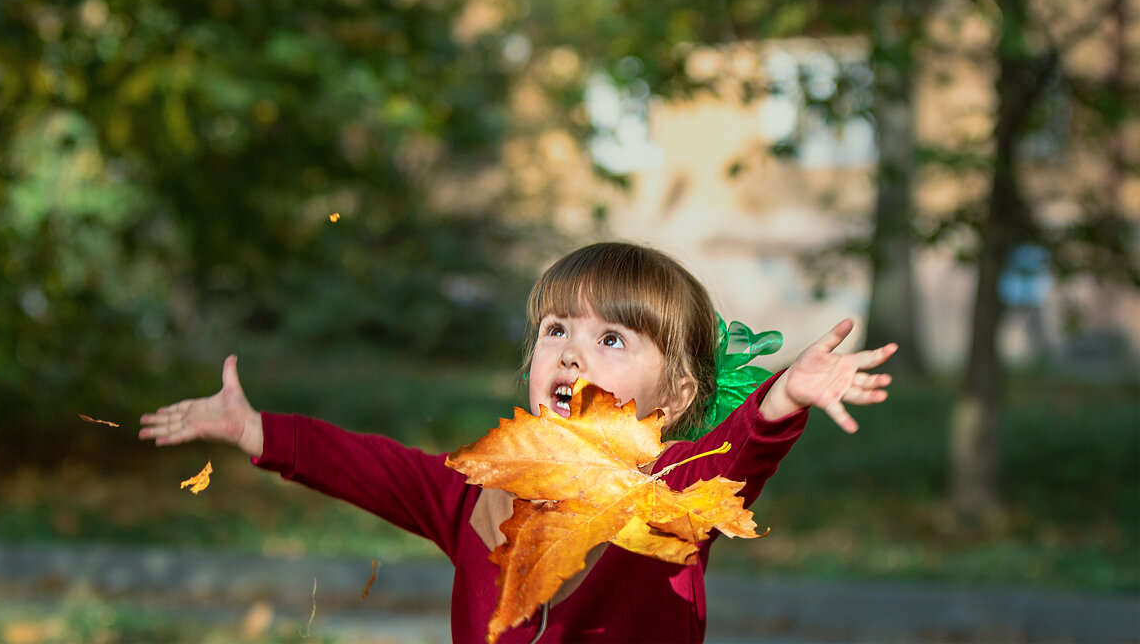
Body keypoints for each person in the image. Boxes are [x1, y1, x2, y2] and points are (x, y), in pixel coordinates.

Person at [140, 242, 895, 643]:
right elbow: (376, 468)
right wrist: (258, 431)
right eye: (555, 330)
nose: (569, 352)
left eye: (610, 338)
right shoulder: (478, 491)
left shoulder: (669, 493)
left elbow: (738, 452)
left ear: (676, 397)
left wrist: (784, 397)